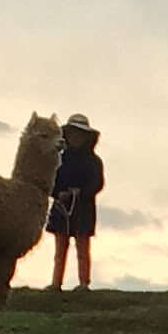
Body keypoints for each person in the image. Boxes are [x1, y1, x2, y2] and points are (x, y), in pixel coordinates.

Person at [46, 113, 105, 289]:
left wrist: (82, 193)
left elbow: (97, 183)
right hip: (62, 208)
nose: (76, 138)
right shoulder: (58, 159)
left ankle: (84, 283)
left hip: (83, 209)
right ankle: (56, 283)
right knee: (60, 250)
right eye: (72, 134)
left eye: (79, 134)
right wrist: (59, 193)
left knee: (82, 249)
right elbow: (50, 181)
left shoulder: (94, 161)